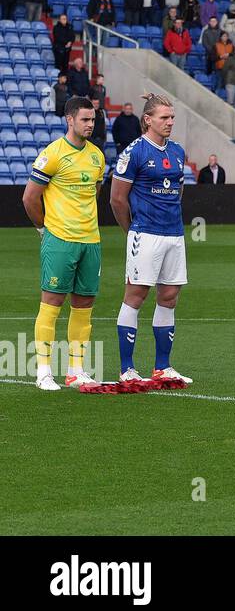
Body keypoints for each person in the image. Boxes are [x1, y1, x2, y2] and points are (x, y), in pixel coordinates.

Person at [22, 96, 107, 390]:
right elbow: (30, 197)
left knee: (84, 305)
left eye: (93, 120)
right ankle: (43, 371)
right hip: (60, 240)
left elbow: (94, 191)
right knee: (52, 302)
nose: (90, 125)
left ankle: (76, 370)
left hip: (91, 241)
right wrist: (45, 229)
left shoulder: (97, 156)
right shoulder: (53, 154)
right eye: (85, 119)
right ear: (69, 119)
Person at [109, 92, 193, 385]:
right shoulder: (134, 152)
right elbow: (117, 199)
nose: (170, 122)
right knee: (135, 296)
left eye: (172, 117)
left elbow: (179, 190)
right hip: (145, 234)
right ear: (148, 120)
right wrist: (132, 230)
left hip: (174, 234)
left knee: (169, 297)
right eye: (164, 118)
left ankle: (162, 367)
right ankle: (127, 368)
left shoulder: (178, 151)